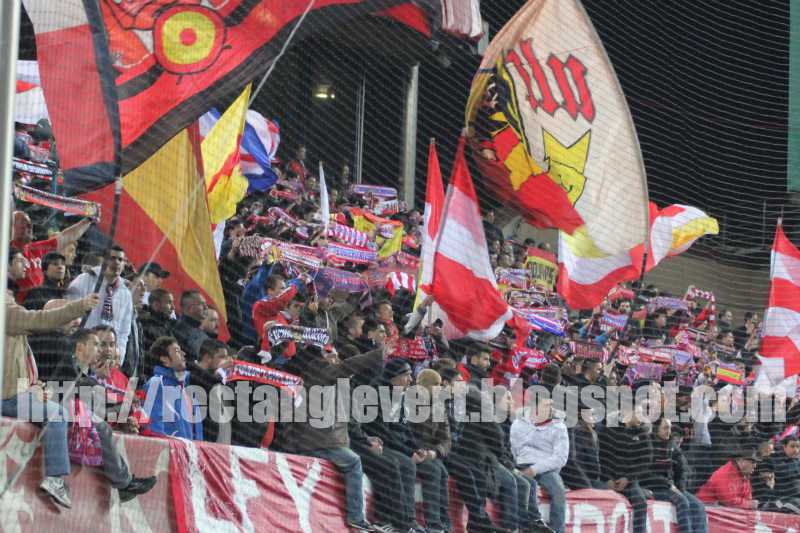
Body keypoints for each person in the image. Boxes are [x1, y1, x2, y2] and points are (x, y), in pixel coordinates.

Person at [281, 342, 391, 533]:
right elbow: (350, 365)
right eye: (333, 356)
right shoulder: (321, 371)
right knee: (354, 461)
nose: (337, 360)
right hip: (316, 443)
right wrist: (380, 354)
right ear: (321, 358)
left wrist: (366, 439)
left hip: (321, 440)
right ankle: (356, 518)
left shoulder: (322, 377)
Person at [3, 292, 97, 508]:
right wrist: (79, 306)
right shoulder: (5, 312)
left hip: (13, 394)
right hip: (7, 400)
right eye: (6, 291)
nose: (10, 294)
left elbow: (14, 370)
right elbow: (40, 320)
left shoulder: (12, 330)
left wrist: (35, 387)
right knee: (57, 413)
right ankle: (54, 479)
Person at [49, 328, 158, 503]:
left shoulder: (85, 369)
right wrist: (95, 378)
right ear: (80, 347)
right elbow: (73, 391)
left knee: (104, 424)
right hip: (58, 410)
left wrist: (125, 413)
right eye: (96, 345)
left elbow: (96, 407)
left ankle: (125, 483)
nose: (100, 350)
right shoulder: (68, 362)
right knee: (103, 428)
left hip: (76, 412)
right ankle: (124, 483)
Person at [366, 360, 452, 533]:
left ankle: (436, 524)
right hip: (380, 443)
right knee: (406, 464)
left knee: (436, 469)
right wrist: (409, 452)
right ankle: (404, 520)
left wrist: (416, 448)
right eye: (406, 375)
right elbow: (382, 431)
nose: (410, 379)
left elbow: (405, 428)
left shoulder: (402, 395)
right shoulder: (378, 394)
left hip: (403, 445)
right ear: (395, 377)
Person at [511, 395, 568, 533]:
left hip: (548, 469)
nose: (551, 409)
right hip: (522, 465)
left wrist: (534, 469)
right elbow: (514, 450)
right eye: (547, 405)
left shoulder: (559, 426)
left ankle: (558, 530)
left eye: (552, 405)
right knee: (524, 486)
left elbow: (561, 458)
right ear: (535, 408)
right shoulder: (518, 424)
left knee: (558, 489)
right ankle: (528, 526)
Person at [640, 417, 707, 533]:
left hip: (672, 487)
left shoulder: (672, 445)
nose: (669, 431)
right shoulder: (647, 445)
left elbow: (682, 469)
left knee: (699, 506)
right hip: (654, 487)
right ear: (656, 429)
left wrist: (680, 488)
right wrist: (668, 485)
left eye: (670, 428)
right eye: (665, 428)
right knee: (682, 501)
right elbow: (645, 472)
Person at [67, 244, 133, 359]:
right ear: (102, 261)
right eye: (112, 258)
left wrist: (118, 359)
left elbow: (124, 333)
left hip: (108, 358)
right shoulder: (85, 280)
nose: (116, 262)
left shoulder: (126, 294)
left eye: (120, 259)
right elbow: (71, 315)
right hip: (84, 355)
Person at [10, 211, 92, 303]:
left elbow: (65, 236)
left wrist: (88, 220)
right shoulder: (6, 252)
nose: (30, 226)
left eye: (30, 223)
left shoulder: (38, 248)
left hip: (43, 306)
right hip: (21, 308)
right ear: (11, 227)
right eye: (24, 223)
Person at [599, 405, 652, 533]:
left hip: (630, 482)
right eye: (638, 413)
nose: (641, 417)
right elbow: (601, 457)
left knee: (641, 503)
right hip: (608, 480)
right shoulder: (609, 431)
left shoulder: (643, 434)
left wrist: (628, 479)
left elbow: (646, 462)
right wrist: (608, 478)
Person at [142, 337, 203, 440]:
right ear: (164, 359)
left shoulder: (187, 387)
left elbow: (196, 428)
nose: (183, 353)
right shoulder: (156, 384)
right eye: (176, 351)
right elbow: (152, 424)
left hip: (190, 449)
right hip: (170, 449)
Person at [188, 338, 233, 443]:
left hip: (223, 447)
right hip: (201, 444)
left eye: (226, 358)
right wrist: (216, 373)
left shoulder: (223, 380)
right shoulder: (190, 376)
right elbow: (202, 379)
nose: (226, 361)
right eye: (222, 357)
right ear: (207, 357)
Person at [696, 447, 761, 509]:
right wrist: (750, 504)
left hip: (717, 510)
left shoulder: (745, 475)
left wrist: (749, 504)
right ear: (741, 461)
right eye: (752, 462)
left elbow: (747, 499)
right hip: (704, 509)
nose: (755, 466)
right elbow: (730, 503)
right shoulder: (726, 474)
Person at [171, 290, 209, 357]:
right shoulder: (179, 333)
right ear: (189, 308)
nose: (206, 307)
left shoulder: (201, 332)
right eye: (201, 304)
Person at [139, 288, 175, 352]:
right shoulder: (144, 326)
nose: (173, 307)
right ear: (156, 305)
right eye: (169, 302)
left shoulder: (167, 325)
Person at [772, 435, 800, 502]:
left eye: (798, 447)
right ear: (784, 447)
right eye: (792, 446)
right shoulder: (775, 459)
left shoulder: (796, 461)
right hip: (781, 498)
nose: (795, 450)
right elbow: (786, 473)